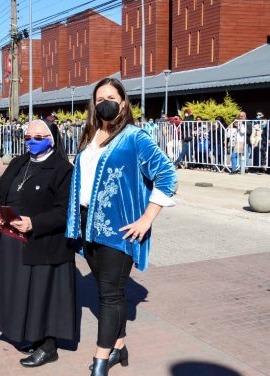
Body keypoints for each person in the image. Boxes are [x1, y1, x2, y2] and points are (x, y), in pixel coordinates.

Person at [65, 78, 177, 376]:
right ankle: (119, 346)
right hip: (88, 224)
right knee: (109, 292)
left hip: (120, 228)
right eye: (99, 97)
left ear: (123, 102)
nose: (105, 102)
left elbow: (167, 175)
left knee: (110, 294)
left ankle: (101, 361)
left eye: (111, 96)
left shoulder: (134, 138)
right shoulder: (90, 135)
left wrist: (146, 219)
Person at [0, 119, 75, 368]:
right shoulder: (18, 163)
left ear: (52, 139)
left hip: (43, 243)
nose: (32, 142)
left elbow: (67, 210)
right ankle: (28, 335)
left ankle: (48, 346)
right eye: (28, 137)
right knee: (19, 291)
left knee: (42, 296)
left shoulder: (62, 169)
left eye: (39, 137)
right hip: (11, 240)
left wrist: (34, 222)